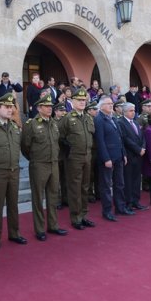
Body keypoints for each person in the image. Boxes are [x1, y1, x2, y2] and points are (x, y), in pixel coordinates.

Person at [0, 93, 26, 250]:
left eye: (12, 107)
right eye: (7, 107)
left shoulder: (15, 128)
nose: (10, 110)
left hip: (14, 171)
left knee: (13, 204)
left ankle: (14, 233)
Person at [21, 94, 67, 241]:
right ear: (39, 108)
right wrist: (35, 159)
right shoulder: (31, 124)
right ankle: (40, 229)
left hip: (54, 163)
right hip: (39, 164)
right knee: (38, 198)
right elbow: (25, 146)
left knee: (53, 196)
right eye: (46, 106)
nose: (49, 109)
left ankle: (53, 225)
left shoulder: (53, 123)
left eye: (50, 107)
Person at [58, 88, 96, 229]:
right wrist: (67, 152)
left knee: (85, 187)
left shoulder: (88, 118)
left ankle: (84, 215)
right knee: (75, 187)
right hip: (73, 157)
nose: (82, 102)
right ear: (72, 101)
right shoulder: (67, 118)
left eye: (83, 100)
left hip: (87, 156)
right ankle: (76, 217)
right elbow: (59, 137)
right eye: (79, 100)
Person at [94, 95, 128, 220]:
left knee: (120, 183)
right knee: (106, 185)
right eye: (108, 103)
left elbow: (120, 138)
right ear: (101, 106)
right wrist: (106, 158)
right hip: (108, 158)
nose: (111, 105)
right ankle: (107, 211)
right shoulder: (99, 119)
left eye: (111, 103)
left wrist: (123, 154)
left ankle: (120, 207)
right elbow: (100, 141)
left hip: (118, 156)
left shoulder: (113, 118)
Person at [118, 102, 147, 211]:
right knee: (128, 180)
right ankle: (128, 203)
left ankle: (136, 201)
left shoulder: (135, 122)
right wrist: (138, 149)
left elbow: (142, 136)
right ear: (124, 111)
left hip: (139, 156)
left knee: (137, 179)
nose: (133, 112)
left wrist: (143, 147)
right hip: (129, 155)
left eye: (134, 110)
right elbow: (125, 139)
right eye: (131, 110)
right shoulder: (120, 122)